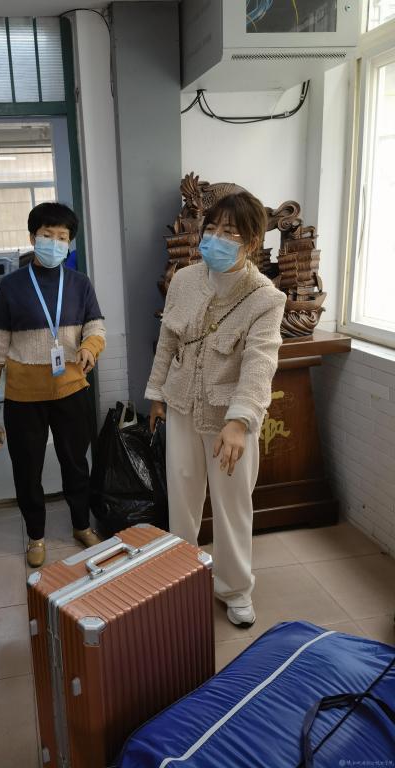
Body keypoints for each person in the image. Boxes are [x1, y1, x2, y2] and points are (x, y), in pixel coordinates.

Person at [146, 190, 286, 628]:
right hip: (182, 406)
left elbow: (260, 364)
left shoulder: (265, 298)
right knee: (182, 500)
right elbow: (168, 340)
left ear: (252, 242)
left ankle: (235, 588)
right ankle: (180, 580)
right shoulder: (185, 279)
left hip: (229, 421)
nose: (215, 238)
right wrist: (156, 394)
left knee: (232, 507)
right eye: (212, 228)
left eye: (230, 232)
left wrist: (240, 422)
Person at [0, 202, 106, 567]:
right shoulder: (11, 286)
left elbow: (95, 325)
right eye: (48, 235)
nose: (55, 242)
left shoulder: (79, 283)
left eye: (62, 237)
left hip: (71, 389)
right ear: (33, 238)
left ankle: (81, 524)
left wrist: (90, 347)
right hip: (24, 396)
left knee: (76, 463)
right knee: (27, 468)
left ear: (69, 242)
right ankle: (35, 535)